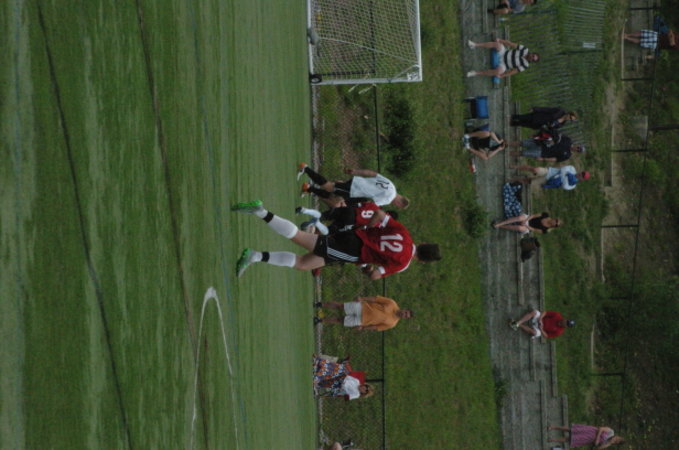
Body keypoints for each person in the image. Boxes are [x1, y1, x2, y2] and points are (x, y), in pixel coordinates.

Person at [230, 200, 441, 279]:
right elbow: (376, 275)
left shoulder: (404, 233)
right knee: (300, 237)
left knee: (304, 264)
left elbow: (378, 213)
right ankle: (261, 211)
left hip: (353, 237)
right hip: (352, 251)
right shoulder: (402, 263)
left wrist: (367, 229)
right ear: (422, 261)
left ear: (422, 243)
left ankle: (254, 256)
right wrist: (369, 268)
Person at [297, 163, 409, 209]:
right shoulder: (389, 198)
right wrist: (358, 207)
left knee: (335, 200)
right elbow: (372, 205)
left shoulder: (391, 185)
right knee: (328, 187)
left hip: (357, 183)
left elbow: (371, 173)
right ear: (399, 203)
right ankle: (305, 169)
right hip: (355, 189)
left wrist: (356, 171)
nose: (395, 205)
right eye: (397, 205)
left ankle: (309, 188)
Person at [295, 201, 398, 236]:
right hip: (351, 220)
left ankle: (305, 210)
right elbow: (363, 227)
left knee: (323, 215)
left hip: (350, 210)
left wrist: (346, 207)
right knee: (329, 231)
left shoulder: (375, 206)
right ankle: (316, 223)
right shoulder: (378, 223)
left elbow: (358, 204)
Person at [314, 296, 412, 331]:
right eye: (405, 312)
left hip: (361, 321)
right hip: (362, 307)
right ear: (404, 309)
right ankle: (319, 304)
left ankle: (320, 320)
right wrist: (362, 298)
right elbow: (376, 299)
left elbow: (376, 327)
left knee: (340, 320)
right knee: (340, 306)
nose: (404, 314)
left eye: (406, 316)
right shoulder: (392, 303)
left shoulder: (392, 323)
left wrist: (363, 328)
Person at [466, 39, 540, 79]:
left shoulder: (525, 65)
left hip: (504, 65)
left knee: (498, 72)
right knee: (497, 45)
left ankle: (475, 73)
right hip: (504, 53)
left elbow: (514, 71)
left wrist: (502, 76)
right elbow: (511, 44)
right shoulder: (525, 49)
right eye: (533, 55)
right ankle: (475, 45)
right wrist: (500, 40)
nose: (532, 57)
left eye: (533, 59)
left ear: (532, 61)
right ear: (532, 53)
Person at [509, 131, 586, 163]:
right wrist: (538, 135)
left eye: (578, 150)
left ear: (577, 152)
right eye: (578, 147)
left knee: (523, 153)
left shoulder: (567, 155)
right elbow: (556, 135)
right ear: (578, 145)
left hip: (542, 153)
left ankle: (508, 154)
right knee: (522, 143)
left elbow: (555, 159)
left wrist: (543, 159)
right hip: (542, 143)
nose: (577, 149)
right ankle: (506, 144)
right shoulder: (568, 140)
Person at [511, 164, 590, 190]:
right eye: (582, 173)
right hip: (549, 171)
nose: (581, 174)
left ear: (582, 179)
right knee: (535, 169)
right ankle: (515, 167)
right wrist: (565, 177)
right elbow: (563, 169)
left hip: (548, 180)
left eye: (582, 176)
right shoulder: (572, 169)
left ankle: (512, 180)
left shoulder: (573, 185)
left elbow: (565, 186)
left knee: (529, 181)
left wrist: (566, 174)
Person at [509, 310, 575, 339]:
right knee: (535, 312)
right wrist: (540, 318)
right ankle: (518, 323)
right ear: (566, 319)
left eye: (567, 324)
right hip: (539, 319)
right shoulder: (557, 315)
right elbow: (545, 312)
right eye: (567, 321)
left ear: (566, 327)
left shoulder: (559, 332)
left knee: (535, 333)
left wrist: (541, 329)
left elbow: (546, 336)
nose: (565, 322)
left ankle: (518, 325)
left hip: (540, 329)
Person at [548, 424, 625, 448]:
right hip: (590, 431)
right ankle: (554, 427)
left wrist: (609, 443)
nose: (615, 439)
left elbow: (599, 448)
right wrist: (597, 438)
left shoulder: (608, 443)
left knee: (570, 439)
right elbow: (601, 429)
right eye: (617, 438)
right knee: (570, 430)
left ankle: (553, 440)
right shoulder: (611, 432)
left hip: (587, 439)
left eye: (616, 441)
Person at [510, 107, 577, 131]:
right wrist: (535, 109)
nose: (569, 119)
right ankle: (512, 117)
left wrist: (550, 127)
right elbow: (547, 109)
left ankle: (513, 123)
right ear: (569, 114)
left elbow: (552, 129)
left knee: (524, 124)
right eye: (570, 117)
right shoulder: (560, 111)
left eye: (571, 120)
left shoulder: (562, 124)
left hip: (540, 125)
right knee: (523, 117)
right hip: (539, 117)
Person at [493, 212, 561, 235]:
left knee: (519, 228)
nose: (555, 222)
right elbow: (533, 216)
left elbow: (534, 229)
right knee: (520, 218)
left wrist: (526, 225)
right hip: (528, 218)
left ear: (554, 226)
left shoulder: (546, 230)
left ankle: (501, 226)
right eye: (556, 220)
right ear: (555, 218)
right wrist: (526, 220)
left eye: (556, 224)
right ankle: (499, 224)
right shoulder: (546, 215)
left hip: (529, 227)